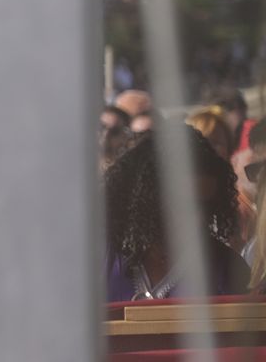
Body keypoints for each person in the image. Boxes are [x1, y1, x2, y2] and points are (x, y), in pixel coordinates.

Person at [104, 124, 250, 301]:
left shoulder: (227, 269)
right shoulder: (101, 258)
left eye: (206, 205)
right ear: (146, 200)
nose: (197, 217)